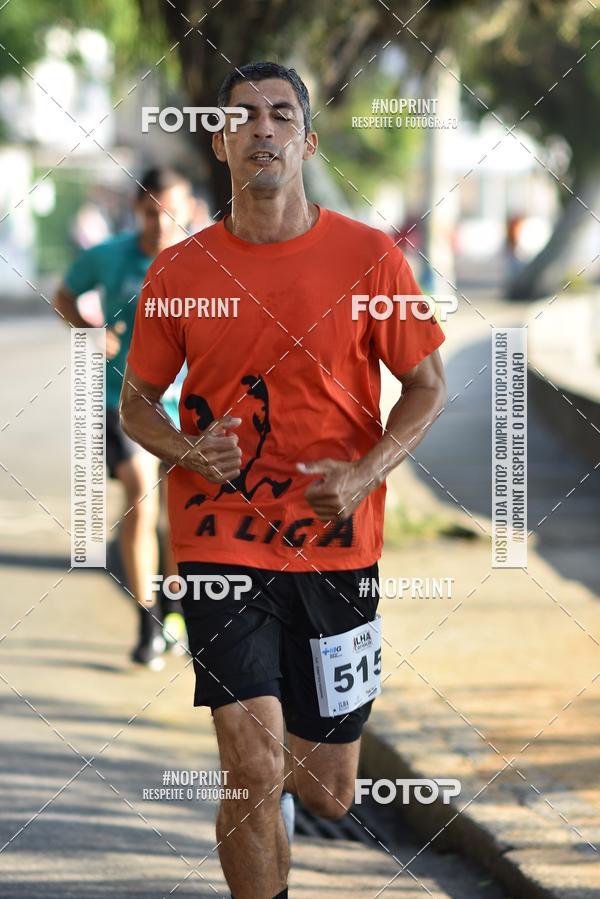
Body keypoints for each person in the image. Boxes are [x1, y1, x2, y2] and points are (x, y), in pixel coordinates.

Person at [120, 61, 446, 899]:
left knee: (326, 784)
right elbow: (136, 405)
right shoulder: (178, 273)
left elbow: (427, 385)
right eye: (242, 117)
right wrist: (191, 455)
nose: (261, 128)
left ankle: (278, 813)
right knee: (250, 756)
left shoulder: (371, 258)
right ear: (222, 142)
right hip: (221, 542)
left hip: (337, 550)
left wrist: (368, 471)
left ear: (305, 140)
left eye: (279, 115)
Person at [53, 167, 199, 669]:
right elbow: (64, 295)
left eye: (172, 212)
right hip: (125, 401)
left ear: (190, 211)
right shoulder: (110, 256)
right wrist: (90, 330)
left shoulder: (209, 261)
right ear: (137, 210)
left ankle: (176, 609)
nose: (161, 224)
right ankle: (148, 622)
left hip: (191, 408)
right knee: (141, 493)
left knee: (180, 513)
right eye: (151, 212)